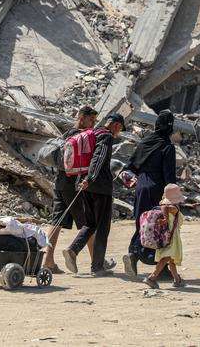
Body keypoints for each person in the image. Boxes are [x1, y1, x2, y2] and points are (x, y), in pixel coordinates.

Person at [63, 113, 126, 276]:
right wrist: (90, 178)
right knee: (103, 226)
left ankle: (73, 250)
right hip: (99, 187)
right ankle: (97, 267)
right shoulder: (106, 136)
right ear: (116, 125)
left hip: (85, 185)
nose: (118, 132)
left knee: (90, 223)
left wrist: (85, 179)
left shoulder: (93, 133)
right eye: (119, 128)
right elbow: (99, 157)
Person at [122, 110, 176, 279]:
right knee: (161, 226)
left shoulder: (145, 142)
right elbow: (169, 175)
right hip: (157, 190)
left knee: (142, 223)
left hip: (141, 187)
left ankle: (133, 254)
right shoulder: (167, 146)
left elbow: (131, 166)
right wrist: (172, 196)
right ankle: (161, 269)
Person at [43, 105, 97, 273]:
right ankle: (97, 262)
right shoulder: (82, 137)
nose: (93, 124)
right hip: (74, 184)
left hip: (60, 183)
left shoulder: (66, 135)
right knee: (88, 223)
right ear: (81, 118)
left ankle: (48, 261)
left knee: (56, 221)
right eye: (91, 120)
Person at [143, 183, 186, 289]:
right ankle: (152, 277)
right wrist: (166, 218)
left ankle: (177, 280)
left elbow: (164, 206)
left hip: (167, 236)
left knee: (171, 259)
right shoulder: (174, 208)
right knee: (166, 257)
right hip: (171, 238)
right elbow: (165, 207)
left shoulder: (167, 205)